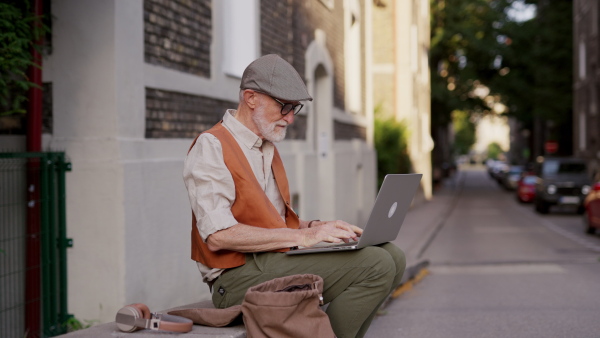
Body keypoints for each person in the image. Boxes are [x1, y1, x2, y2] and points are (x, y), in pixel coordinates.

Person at [183, 54, 405, 338]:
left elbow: (270, 222)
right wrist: (303, 239)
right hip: (235, 279)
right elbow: (218, 235)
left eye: (294, 108)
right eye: (284, 106)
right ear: (251, 98)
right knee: (376, 265)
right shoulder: (212, 145)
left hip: (271, 260)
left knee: (393, 257)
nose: (290, 118)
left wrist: (316, 227)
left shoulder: (265, 147)